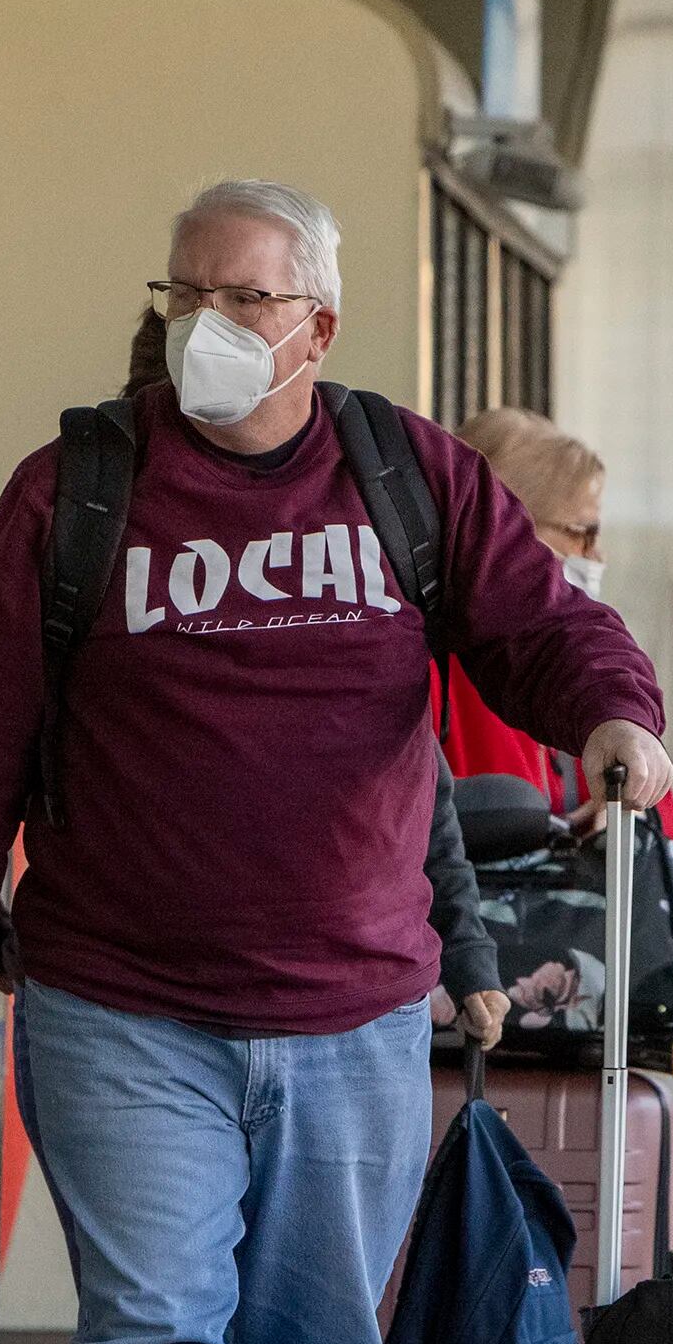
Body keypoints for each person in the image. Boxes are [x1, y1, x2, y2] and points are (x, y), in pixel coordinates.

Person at [0, 180, 671, 1344]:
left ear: (318, 326)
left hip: (349, 1013)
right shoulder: (76, 492)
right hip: (118, 1004)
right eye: (188, 291)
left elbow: (543, 631)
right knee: (155, 1330)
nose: (210, 327)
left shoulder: (407, 479)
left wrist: (617, 719)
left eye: (247, 299)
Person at [117, 309, 505, 1054]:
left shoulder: (353, 550)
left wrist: (467, 951)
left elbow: (417, 782)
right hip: (137, 1008)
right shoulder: (98, 524)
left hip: (346, 1011)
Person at [439, 408, 673, 844]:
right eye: (582, 533)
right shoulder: (434, 661)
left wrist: (623, 814)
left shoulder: (569, 656)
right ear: (509, 528)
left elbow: (667, 819)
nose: (597, 556)